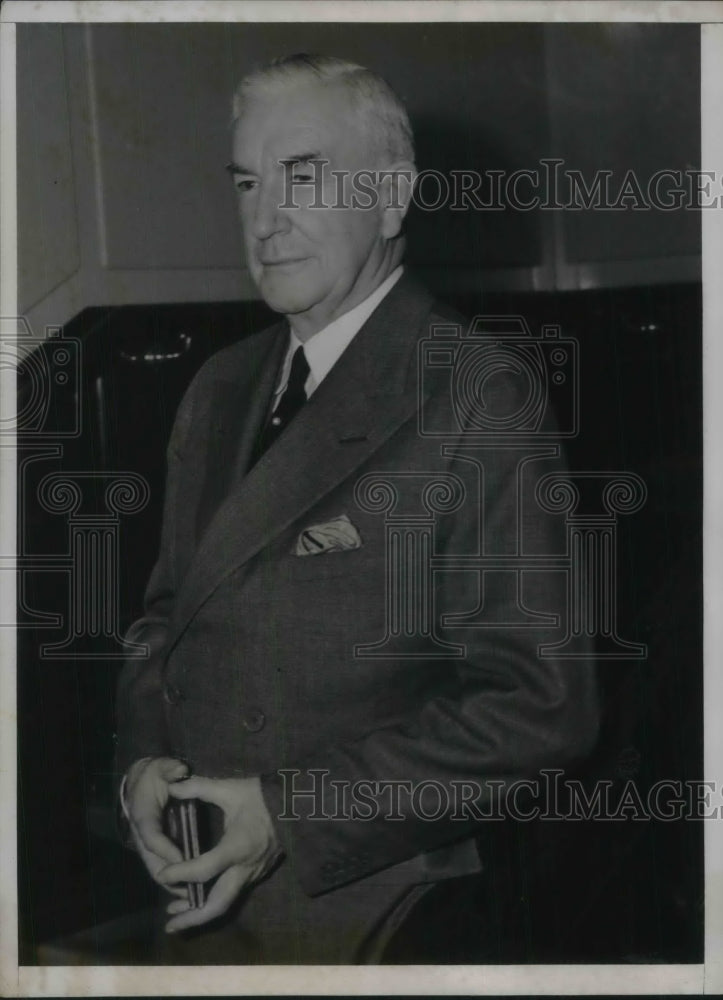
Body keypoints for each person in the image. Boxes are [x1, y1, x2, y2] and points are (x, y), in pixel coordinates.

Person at [115, 53, 599, 964]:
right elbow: (162, 622)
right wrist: (141, 767)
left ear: (390, 198)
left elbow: (540, 706)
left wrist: (290, 814)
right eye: (250, 182)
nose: (266, 219)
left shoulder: (474, 392)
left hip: (376, 908)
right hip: (198, 892)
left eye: (304, 176)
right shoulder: (218, 390)